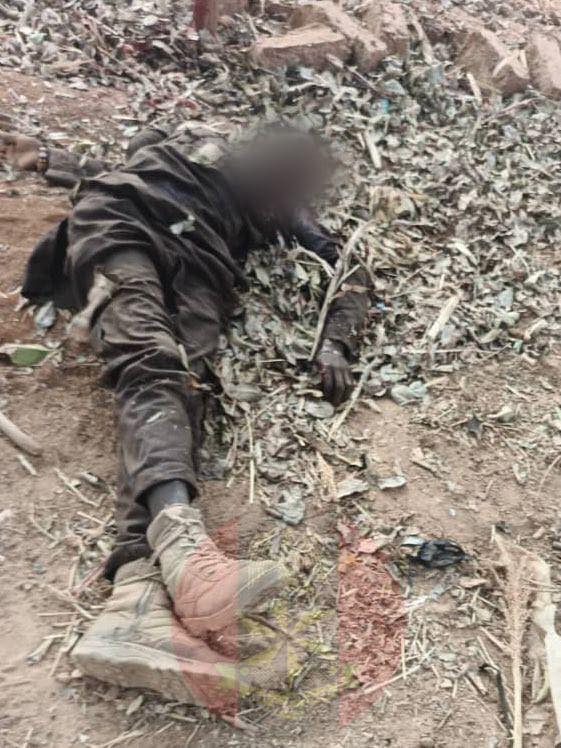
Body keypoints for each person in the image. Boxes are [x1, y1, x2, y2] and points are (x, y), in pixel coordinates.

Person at [1, 125, 370, 710]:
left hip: (201, 272)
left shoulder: (281, 211)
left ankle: (135, 599)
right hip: (124, 225)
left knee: (181, 396)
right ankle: (182, 549)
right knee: (149, 364)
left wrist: (337, 342)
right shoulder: (185, 152)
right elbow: (112, 169)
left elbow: (349, 266)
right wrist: (50, 160)